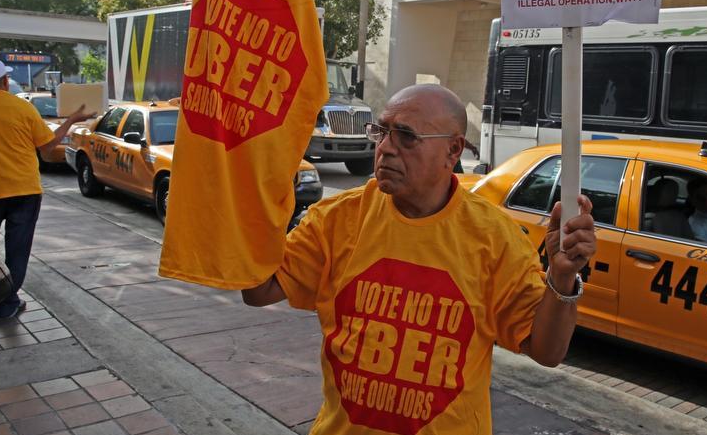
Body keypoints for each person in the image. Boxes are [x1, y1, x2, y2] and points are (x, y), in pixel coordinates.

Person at [241, 84, 596, 434]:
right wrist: (253, 204)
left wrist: (561, 278)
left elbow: (547, 351)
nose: (385, 149)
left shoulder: (494, 238)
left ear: (452, 150)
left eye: (406, 137)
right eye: (381, 132)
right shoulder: (338, 219)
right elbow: (258, 293)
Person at [0, 58, 91, 321]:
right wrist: (72, 120)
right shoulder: (22, 108)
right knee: (18, 250)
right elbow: (48, 147)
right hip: (25, 190)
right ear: (4, 81)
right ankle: (7, 303)